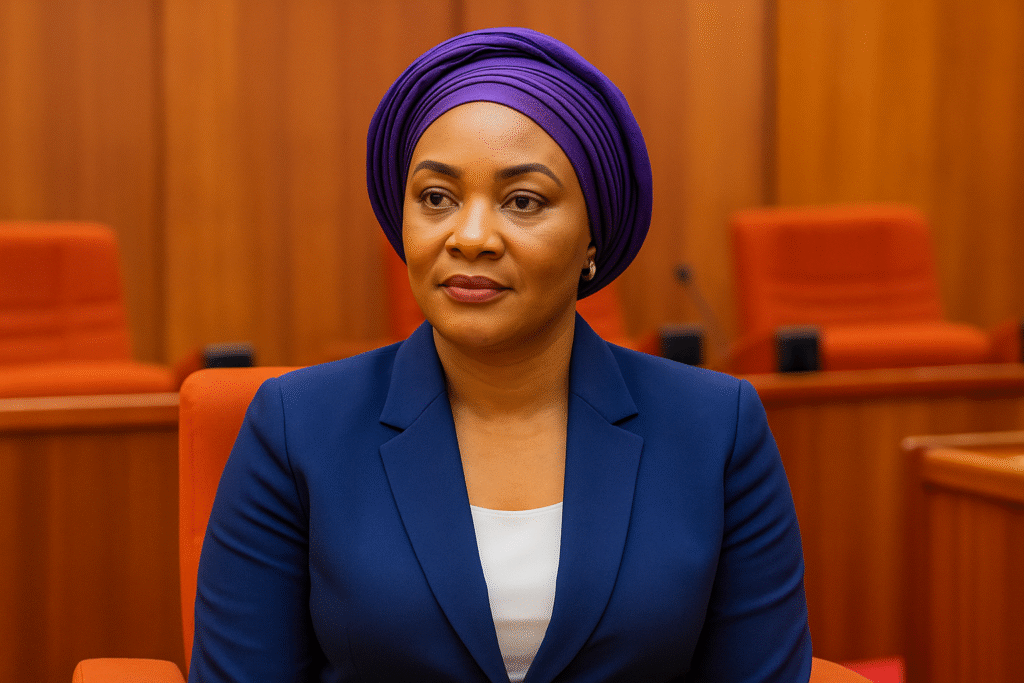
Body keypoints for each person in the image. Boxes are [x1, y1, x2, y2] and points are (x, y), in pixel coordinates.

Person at [189, 27, 812, 683]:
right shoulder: (296, 426)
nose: (472, 236)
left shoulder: (717, 428)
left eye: (522, 201)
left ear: (593, 237)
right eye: (436, 198)